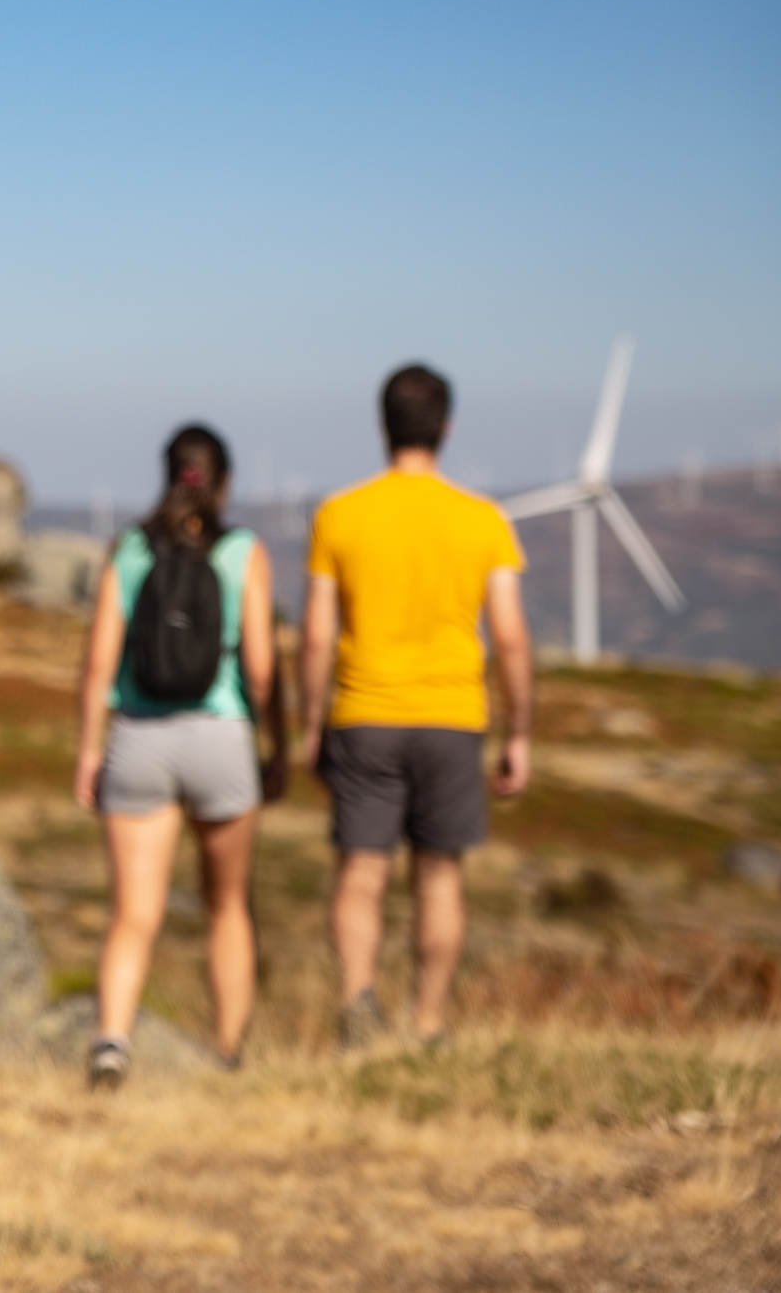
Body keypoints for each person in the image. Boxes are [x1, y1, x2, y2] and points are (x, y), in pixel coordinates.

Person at [300, 363, 533, 1050]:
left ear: (383, 427)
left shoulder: (339, 514)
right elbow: (512, 640)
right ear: (447, 427)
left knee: (361, 871)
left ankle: (356, 1010)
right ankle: (428, 1021)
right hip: (453, 718)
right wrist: (519, 731)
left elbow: (315, 633)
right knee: (439, 877)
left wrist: (311, 723)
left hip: (364, 713)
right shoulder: (484, 520)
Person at [73, 424, 280, 1087]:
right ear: (224, 480)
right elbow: (262, 667)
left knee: (134, 912)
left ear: (167, 473)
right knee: (228, 906)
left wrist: (88, 748)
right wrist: (274, 743)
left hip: (139, 738)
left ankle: (111, 1041)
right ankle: (226, 1055)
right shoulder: (243, 551)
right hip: (222, 736)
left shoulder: (130, 549)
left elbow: (100, 662)